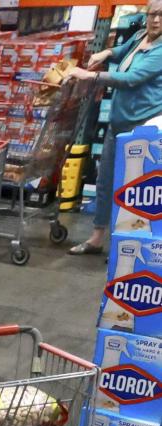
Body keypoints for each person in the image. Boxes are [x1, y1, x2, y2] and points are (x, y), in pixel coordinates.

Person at [67, 2, 162, 255]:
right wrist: (106, 53)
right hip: (118, 123)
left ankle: (130, 245)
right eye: (153, 14)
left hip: (142, 128)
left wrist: (92, 76)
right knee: (105, 181)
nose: (156, 20)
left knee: (136, 189)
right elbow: (123, 51)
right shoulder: (142, 37)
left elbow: (132, 79)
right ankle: (97, 238)